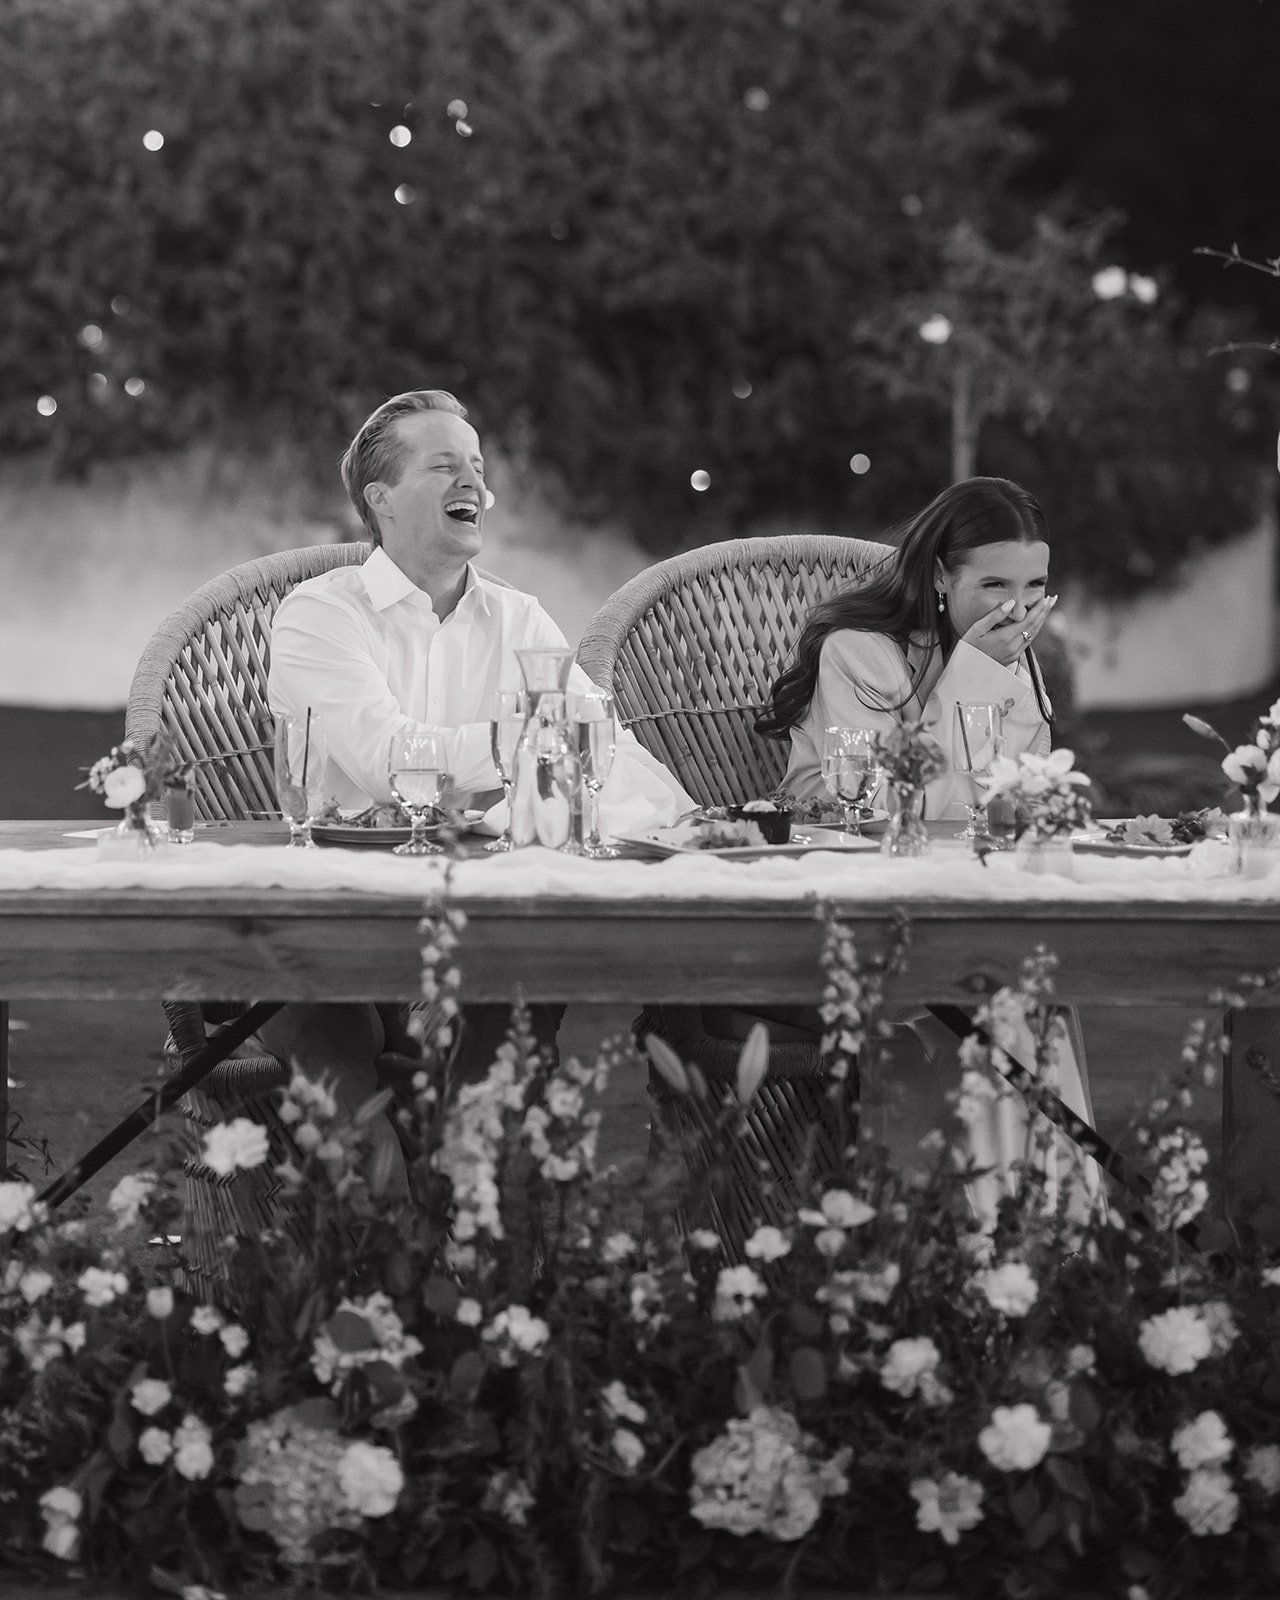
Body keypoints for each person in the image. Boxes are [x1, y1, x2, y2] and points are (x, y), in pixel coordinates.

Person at [259, 388, 693, 1189]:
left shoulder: (521, 621)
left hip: (484, 931)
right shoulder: (320, 616)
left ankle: (480, 1262)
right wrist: (523, 747)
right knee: (337, 1059)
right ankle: (385, 1268)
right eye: (444, 464)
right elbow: (391, 759)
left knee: (513, 1001)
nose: (474, 482)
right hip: (338, 933)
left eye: (479, 467)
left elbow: (607, 756)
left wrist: (552, 766)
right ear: (379, 499)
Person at [755, 477, 1097, 1223]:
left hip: (963, 901)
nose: (1016, 606)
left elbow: (1013, 793)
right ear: (942, 575)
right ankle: (971, 1233)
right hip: (847, 910)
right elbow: (890, 807)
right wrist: (975, 674)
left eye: (1034, 585)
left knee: (1027, 991)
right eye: (994, 583)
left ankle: (1042, 1232)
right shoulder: (860, 653)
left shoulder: (1013, 658)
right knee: (996, 994)